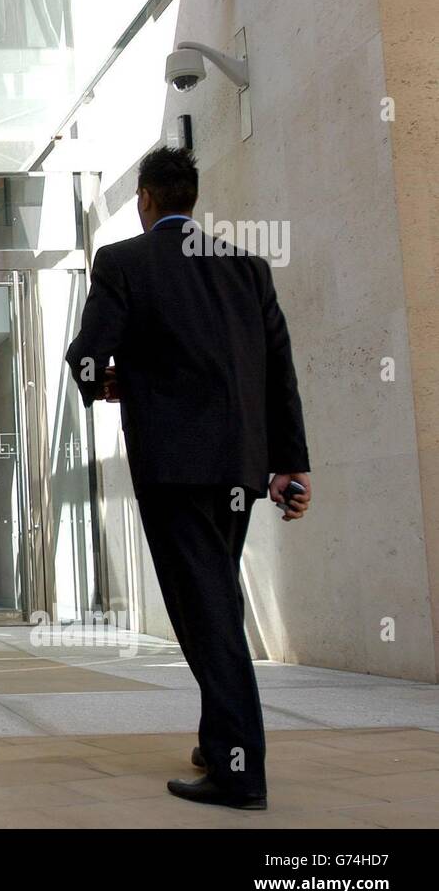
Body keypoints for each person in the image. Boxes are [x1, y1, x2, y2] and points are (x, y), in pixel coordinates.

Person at [65, 147, 311, 811]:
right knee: (217, 600)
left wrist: (107, 383)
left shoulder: (125, 262)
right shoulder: (246, 267)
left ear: (145, 198)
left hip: (173, 466)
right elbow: (277, 371)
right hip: (241, 467)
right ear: (190, 199)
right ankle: (217, 738)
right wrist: (292, 463)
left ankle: (239, 770)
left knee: (206, 613)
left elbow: (85, 355)